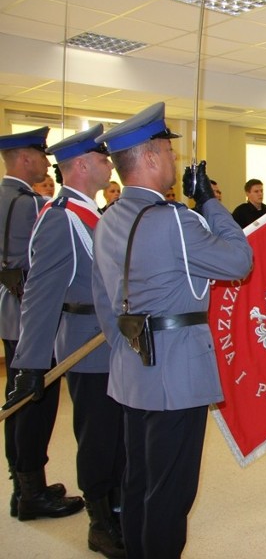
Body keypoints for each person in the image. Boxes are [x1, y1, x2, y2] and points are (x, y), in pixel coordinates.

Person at [91, 102, 253, 557]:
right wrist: (209, 202)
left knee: (140, 482)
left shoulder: (108, 220)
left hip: (131, 371)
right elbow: (239, 261)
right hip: (176, 375)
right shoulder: (175, 220)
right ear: (149, 157)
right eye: (168, 152)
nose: (174, 162)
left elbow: (104, 299)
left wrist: (127, 351)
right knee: (170, 494)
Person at [6, 125, 124, 554]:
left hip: (113, 343)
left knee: (119, 435)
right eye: (103, 158)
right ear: (82, 165)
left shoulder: (92, 213)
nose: (111, 164)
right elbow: (40, 294)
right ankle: (100, 522)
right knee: (98, 436)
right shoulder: (60, 217)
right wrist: (30, 364)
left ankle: (118, 508)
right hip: (87, 345)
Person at [1, 126, 83, 522]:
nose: (44, 162)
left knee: (16, 396)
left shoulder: (3, 196)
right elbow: (40, 269)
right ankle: (31, 491)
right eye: (39, 154)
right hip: (35, 316)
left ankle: (23, 484)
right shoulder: (33, 204)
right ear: (24, 157)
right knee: (36, 401)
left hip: (8, 313)